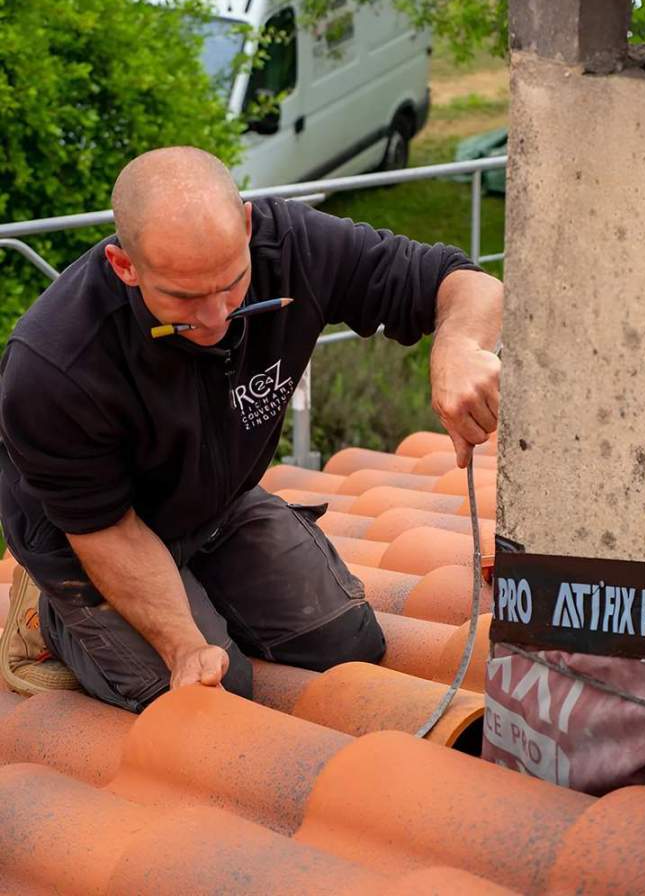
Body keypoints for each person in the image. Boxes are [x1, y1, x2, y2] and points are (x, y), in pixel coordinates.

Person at [0, 146, 502, 712]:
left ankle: (201, 577)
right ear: (126, 267)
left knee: (348, 642)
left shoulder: (292, 244)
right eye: (184, 298)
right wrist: (185, 646)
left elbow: (460, 280)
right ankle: (51, 616)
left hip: (213, 503)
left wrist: (459, 344)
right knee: (215, 693)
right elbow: (107, 531)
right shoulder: (53, 364)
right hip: (98, 534)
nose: (215, 319)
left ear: (245, 225)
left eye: (231, 284)